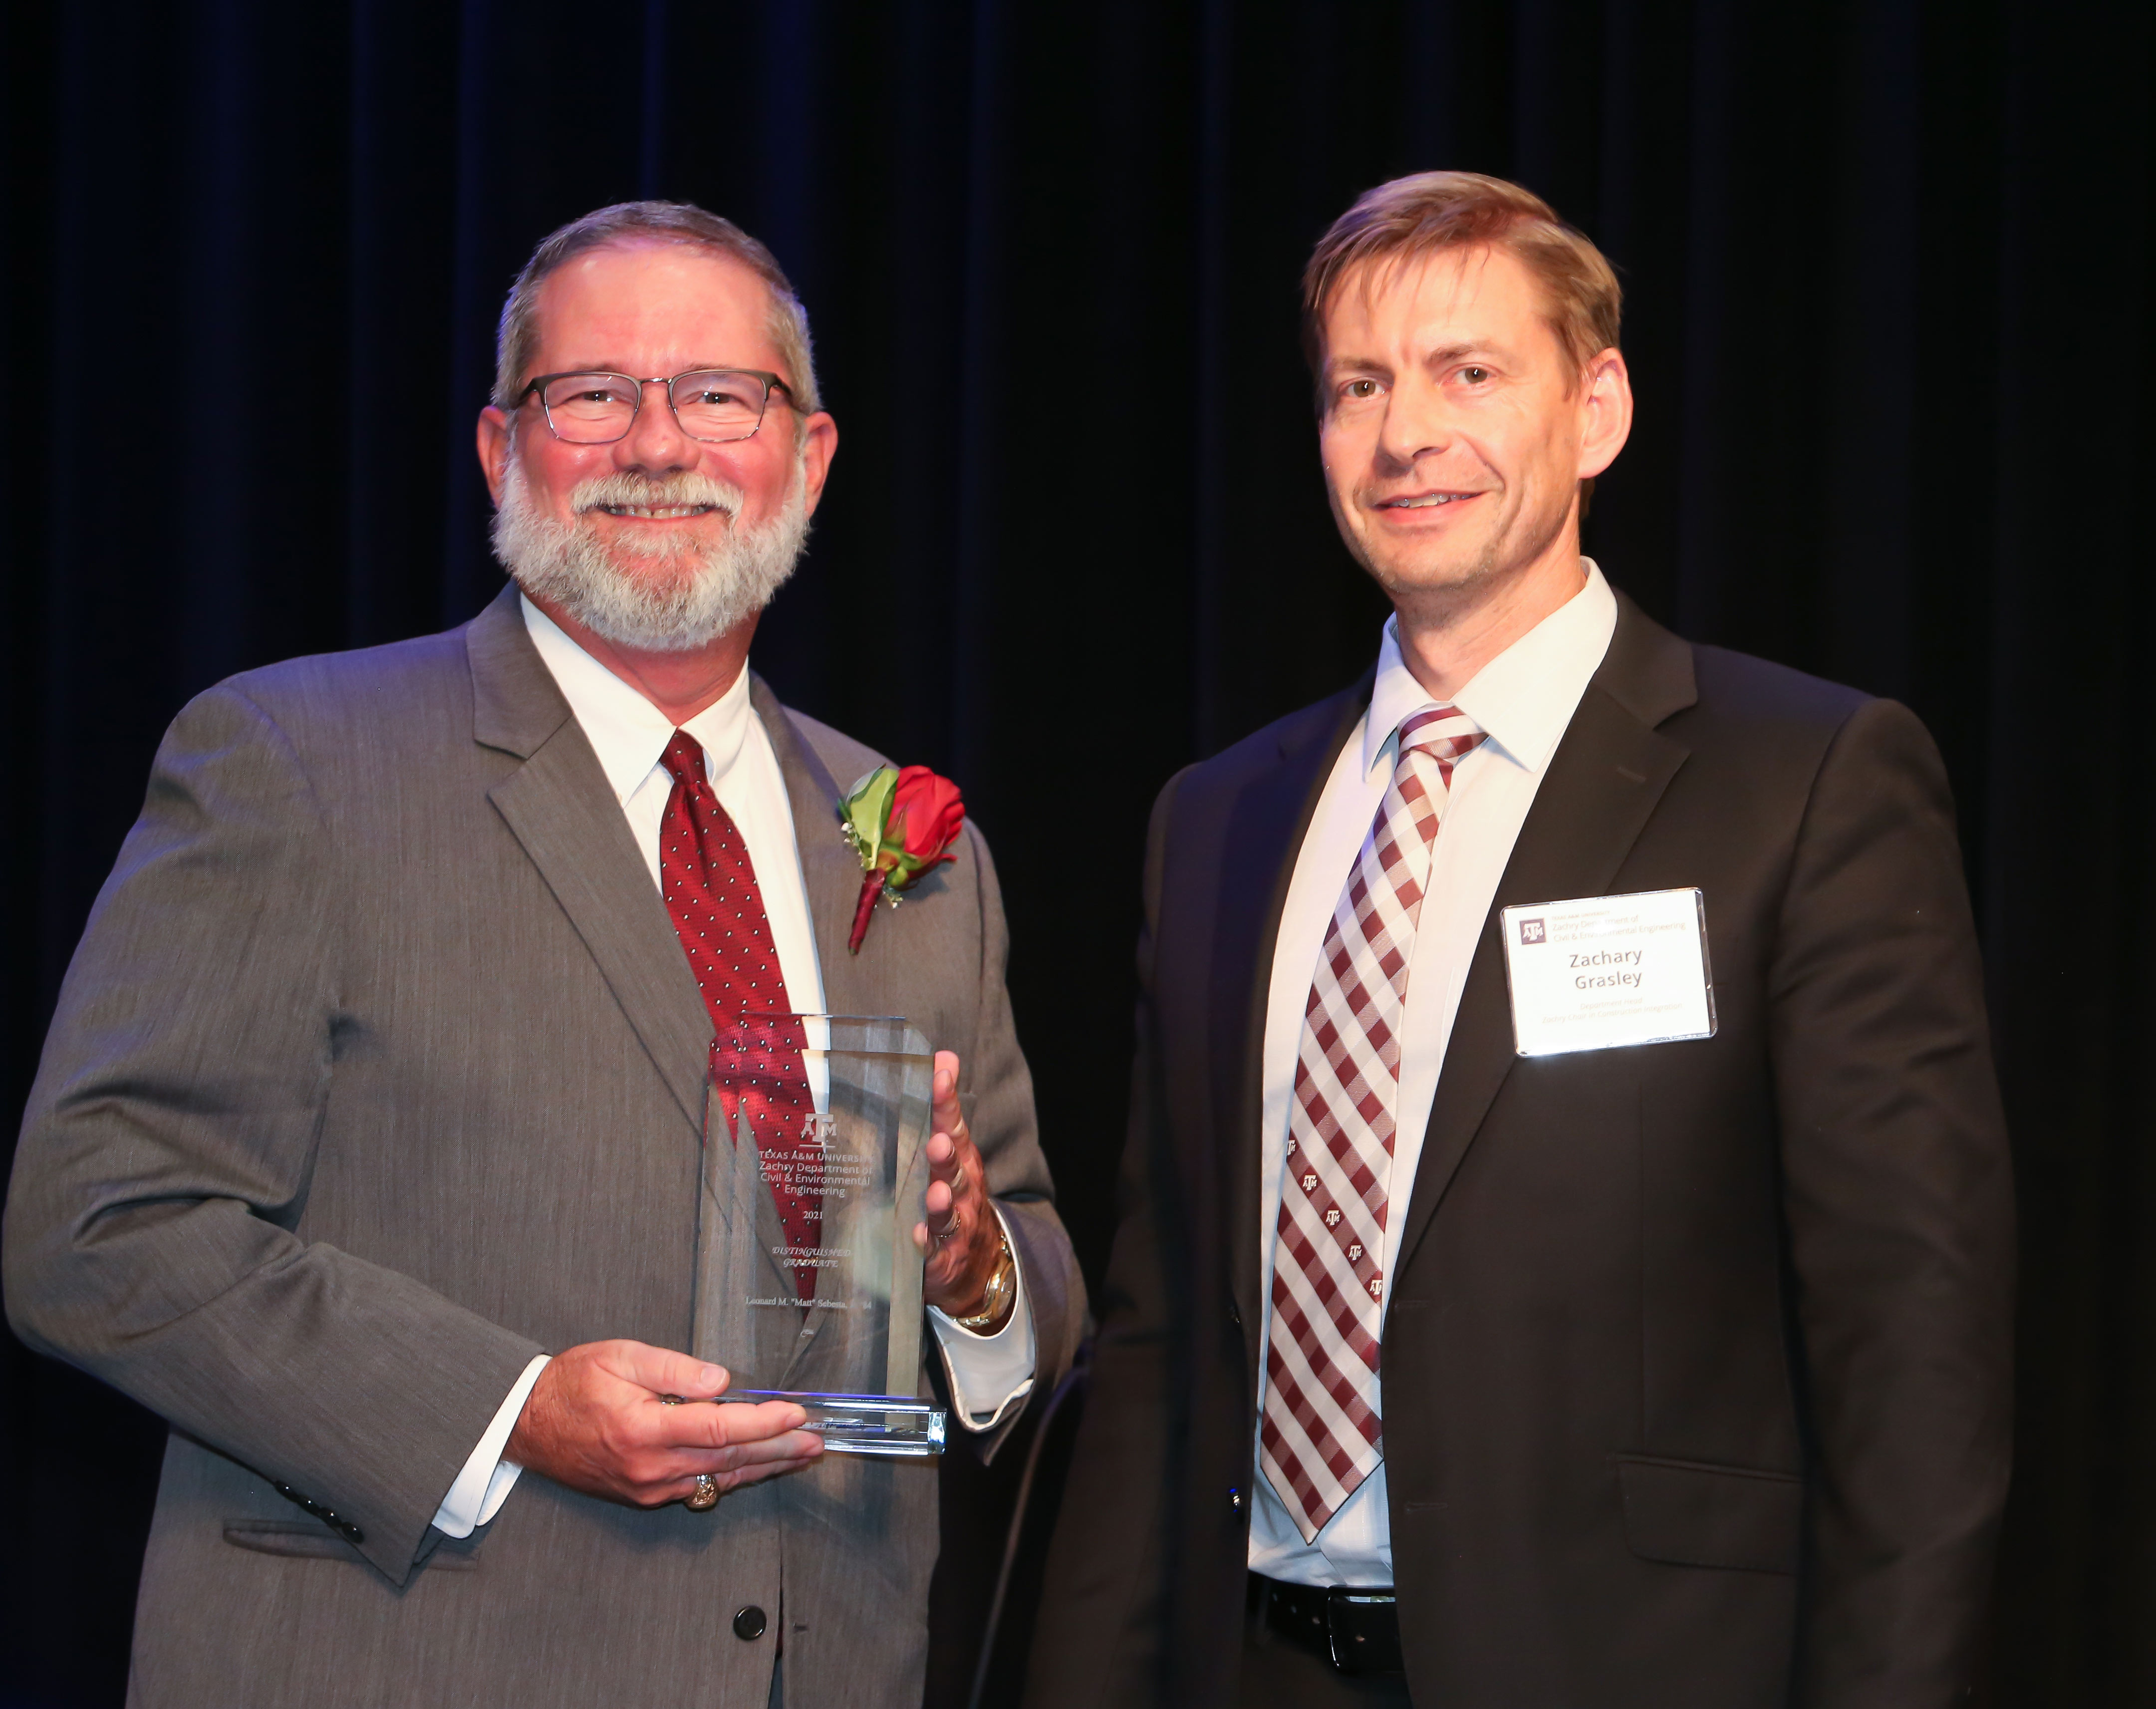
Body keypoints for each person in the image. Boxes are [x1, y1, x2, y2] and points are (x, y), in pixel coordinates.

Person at [3, 200, 1082, 1709]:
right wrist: (510, 1409)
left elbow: (1037, 1267)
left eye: (719, 394)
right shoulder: (296, 762)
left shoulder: (914, 849)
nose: (658, 442)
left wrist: (975, 1271)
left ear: (810, 455)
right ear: (501, 449)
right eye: (592, 394)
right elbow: (96, 1225)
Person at [1025, 172, 2012, 1709]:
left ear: (1596, 409)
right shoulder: (1217, 821)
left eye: (1469, 372)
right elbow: (1158, 1339)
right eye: (1361, 386)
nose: (1405, 434)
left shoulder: (1804, 784)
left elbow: (1914, 1353)